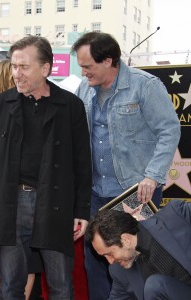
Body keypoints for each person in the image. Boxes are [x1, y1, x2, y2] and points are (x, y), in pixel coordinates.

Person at [0, 35, 92, 299]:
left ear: (46, 69)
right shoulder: (1, 105)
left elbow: (82, 163)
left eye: (24, 67)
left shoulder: (70, 106)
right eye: (14, 66)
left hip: (54, 203)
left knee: (61, 285)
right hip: (9, 204)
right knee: (10, 285)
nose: (16, 73)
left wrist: (81, 210)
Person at [71, 31, 181, 299]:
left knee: (141, 261)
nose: (83, 72)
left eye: (87, 66)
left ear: (108, 60)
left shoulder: (144, 85)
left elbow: (169, 129)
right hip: (96, 194)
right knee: (97, 259)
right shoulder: (84, 89)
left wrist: (152, 176)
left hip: (136, 192)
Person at [0, 59, 41, 300]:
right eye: (15, 73)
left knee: (9, 271)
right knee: (19, 270)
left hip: (0, 202)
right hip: (10, 202)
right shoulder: (0, 116)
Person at [86, 200, 191, 300]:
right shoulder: (118, 271)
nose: (110, 261)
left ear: (126, 239)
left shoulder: (176, 215)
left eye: (110, 254)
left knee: (155, 285)